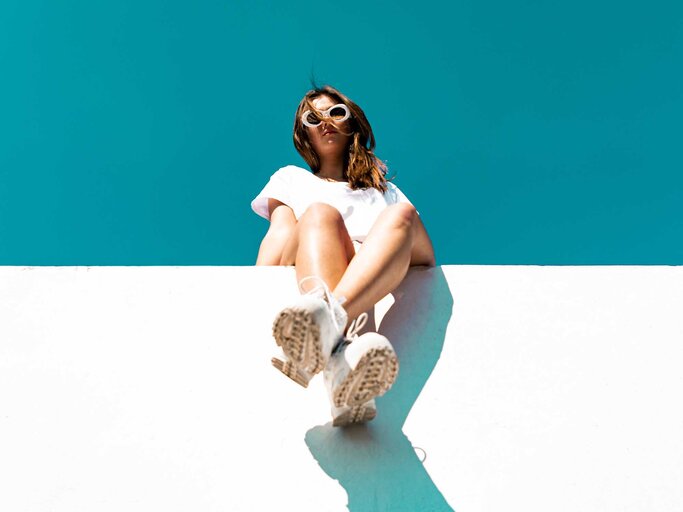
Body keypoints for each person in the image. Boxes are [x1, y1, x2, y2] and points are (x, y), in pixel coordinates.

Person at [251, 85, 435, 426]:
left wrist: (367, 248)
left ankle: (329, 333)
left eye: (336, 113)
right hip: (317, 249)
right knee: (321, 214)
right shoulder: (291, 179)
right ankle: (340, 358)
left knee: (401, 215)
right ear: (303, 131)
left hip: (376, 264)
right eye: (313, 117)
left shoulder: (385, 191)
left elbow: (419, 251)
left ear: (352, 122)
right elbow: (279, 234)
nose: (325, 122)